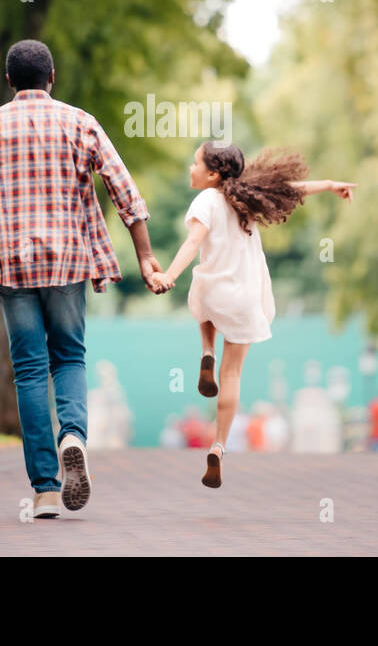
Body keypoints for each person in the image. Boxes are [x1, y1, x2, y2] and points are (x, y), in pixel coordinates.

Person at [0, 39, 170, 520]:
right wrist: (147, 257)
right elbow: (125, 191)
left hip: (12, 264)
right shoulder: (81, 122)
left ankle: (46, 490)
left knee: (30, 370)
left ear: (9, 80)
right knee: (69, 357)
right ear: (51, 77)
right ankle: (73, 434)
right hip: (68, 262)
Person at [151, 141, 355, 487]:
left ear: (213, 174)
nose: (191, 168)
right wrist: (331, 184)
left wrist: (168, 275)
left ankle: (206, 350)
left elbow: (192, 243)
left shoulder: (206, 200)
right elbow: (292, 189)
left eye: (195, 163)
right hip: (245, 299)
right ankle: (218, 446)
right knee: (232, 376)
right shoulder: (245, 200)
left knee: (201, 300)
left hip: (213, 292)